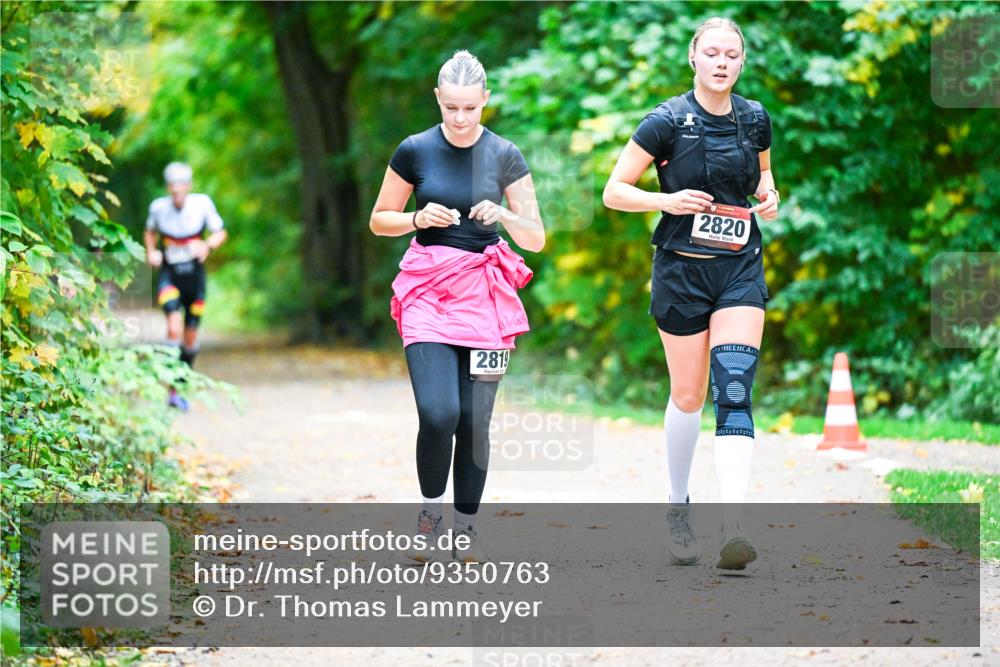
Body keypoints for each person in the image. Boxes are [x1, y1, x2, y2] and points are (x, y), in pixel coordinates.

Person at [603, 17, 779, 570]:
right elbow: (613, 192)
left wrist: (769, 195)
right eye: (712, 53)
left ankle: (733, 527)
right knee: (689, 397)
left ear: (742, 62)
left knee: (734, 384)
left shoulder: (755, 120)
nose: (722, 62)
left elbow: (763, 181)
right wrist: (667, 201)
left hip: (740, 270)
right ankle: (679, 504)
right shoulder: (665, 121)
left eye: (732, 54)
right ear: (694, 58)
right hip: (681, 271)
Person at [369, 50, 545, 563]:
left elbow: (535, 238)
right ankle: (430, 516)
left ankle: (465, 528)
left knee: (473, 422)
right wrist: (417, 218)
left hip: (486, 299)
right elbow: (380, 219)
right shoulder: (414, 150)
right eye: (451, 109)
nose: (462, 119)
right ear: (439, 101)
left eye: (471, 108)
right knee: (439, 412)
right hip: (426, 291)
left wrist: (507, 216)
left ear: (486, 100)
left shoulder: (506, 155)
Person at [144, 162, 228, 411]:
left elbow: (220, 232)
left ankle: (178, 386)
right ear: (168, 187)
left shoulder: (202, 204)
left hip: (195, 277)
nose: (177, 190)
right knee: (173, 327)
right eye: (172, 185)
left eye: (181, 185)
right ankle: (169, 387)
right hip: (170, 275)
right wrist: (152, 252)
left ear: (189, 186)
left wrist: (207, 245)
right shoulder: (158, 208)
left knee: (190, 339)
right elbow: (149, 232)